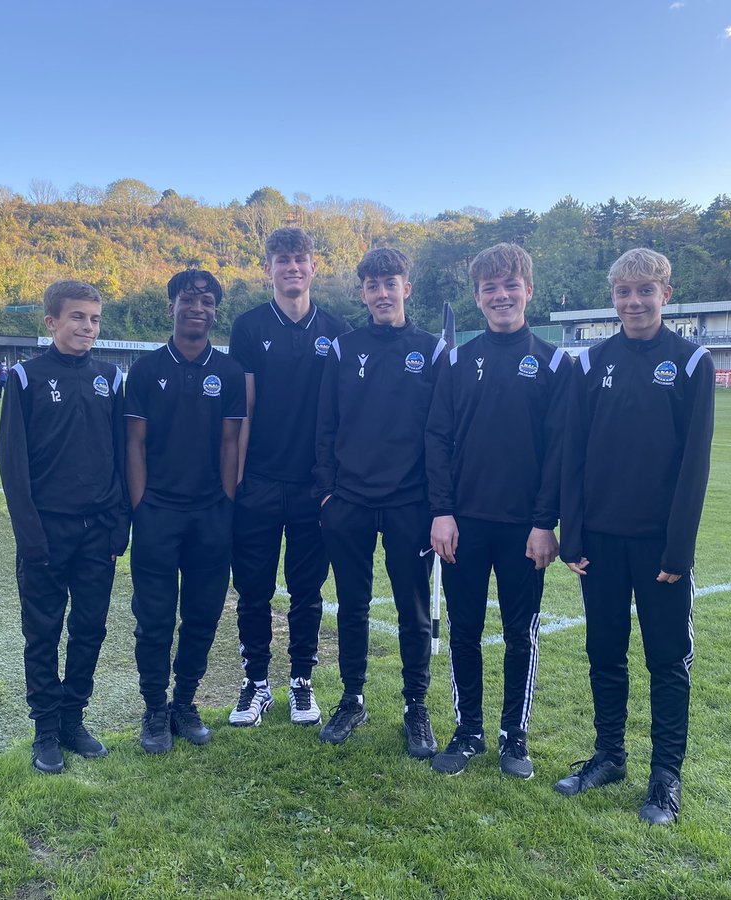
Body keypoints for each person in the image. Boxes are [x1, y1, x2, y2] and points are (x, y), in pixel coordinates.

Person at [558, 248, 715, 826]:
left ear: (666, 294)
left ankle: (665, 777)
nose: (633, 302)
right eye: (624, 292)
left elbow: (694, 466)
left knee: (667, 661)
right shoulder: (590, 362)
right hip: (599, 544)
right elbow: (571, 454)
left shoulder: (692, 362)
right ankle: (610, 756)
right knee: (605, 654)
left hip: (659, 549)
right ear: (613, 297)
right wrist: (571, 536)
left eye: (645, 291)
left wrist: (679, 550)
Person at [424, 244, 573, 778]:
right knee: (463, 630)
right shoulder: (458, 359)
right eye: (490, 287)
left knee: (519, 634)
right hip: (462, 523)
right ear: (478, 296)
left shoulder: (556, 362)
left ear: (528, 290)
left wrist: (544, 522)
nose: (501, 295)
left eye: (510, 285)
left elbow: (560, 450)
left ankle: (515, 736)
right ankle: (469, 731)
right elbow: (437, 439)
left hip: (524, 529)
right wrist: (442, 512)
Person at [314, 247, 444, 760]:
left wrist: (438, 504)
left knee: (414, 611)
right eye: (372, 285)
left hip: (410, 503)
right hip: (349, 501)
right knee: (352, 604)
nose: (382, 293)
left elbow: (440, 433)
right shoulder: (344, 349)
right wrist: (327, 493)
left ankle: (416, 706)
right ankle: (353, 698)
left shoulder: (431, 351)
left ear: (406, 288)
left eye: (391, 283)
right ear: (362, 293)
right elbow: (325, 425)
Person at [0, 279, 131, 775]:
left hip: (99, 531)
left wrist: (120, 526)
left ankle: (75, 720)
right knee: (43, 632)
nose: (87, 327)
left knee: (90, 629)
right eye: (77, 317)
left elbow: (120, 455)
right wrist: (29, 535)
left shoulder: (110, 377)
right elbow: (12, 463)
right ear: (51, 322)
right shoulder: (26, 377)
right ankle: (46, 731)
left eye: (94, 319)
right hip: (47, 533)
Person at [227, 228, 350, 728]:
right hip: (258, 480)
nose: (292, 267)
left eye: (300, 259)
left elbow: (344, 410)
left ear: (314, 266)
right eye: (283, 260)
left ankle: (301, 680)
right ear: (269, 269)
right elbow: (244, 409)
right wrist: (236, 483)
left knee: (307, 589)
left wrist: (333, 481)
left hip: (313, 486)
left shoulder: (338, 328)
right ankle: (256, 682)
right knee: (253, 589)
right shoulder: (249, 326)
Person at [125, 269, 245, 754]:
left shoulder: (229, 371)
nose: (199, 306)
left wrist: (226, 504)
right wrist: (141, 507)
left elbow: (232, 442)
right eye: (189, 299)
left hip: (211, 515)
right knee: (153, 617)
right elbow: (135, 444)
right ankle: (154, 708)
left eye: (208, 300)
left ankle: (184, 703)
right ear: (170, 306)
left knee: (202, 614)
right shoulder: (147, 369)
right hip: (158, 513)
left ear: (216, 310)